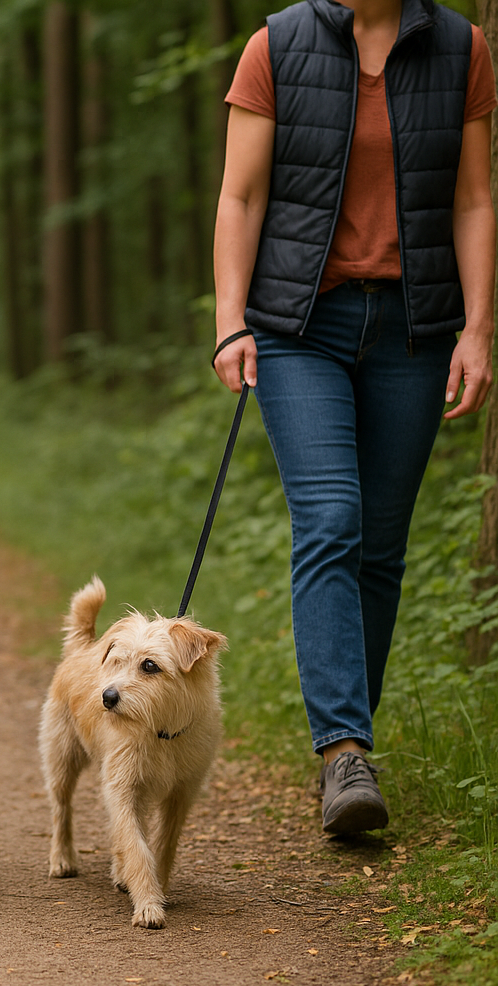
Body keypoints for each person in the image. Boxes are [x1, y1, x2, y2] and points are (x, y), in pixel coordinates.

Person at [213, 0, 494, 833]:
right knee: (331, 519)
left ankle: (349, 757)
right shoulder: (276, 44)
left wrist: (478, 329)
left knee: (379, 544)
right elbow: (241, 195)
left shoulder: (460, 48)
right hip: (301, 326)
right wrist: (230, 320)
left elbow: (474, 200)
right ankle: (342, 752)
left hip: (415, 328)